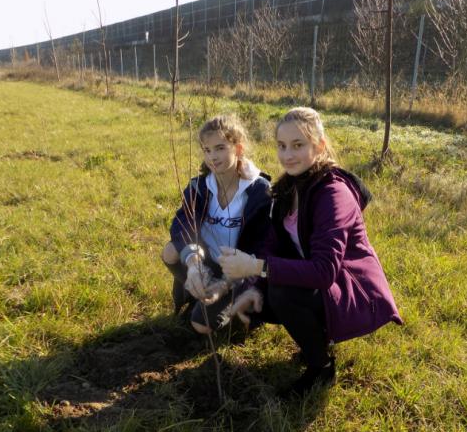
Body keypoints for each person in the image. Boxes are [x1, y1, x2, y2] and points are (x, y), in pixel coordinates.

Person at [218, 107, 402, 395]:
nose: (287, 155)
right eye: (282, 146)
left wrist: (256, 267)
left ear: (319, 146)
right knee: (264, 293)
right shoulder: (288, 189)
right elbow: (271, 246)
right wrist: (251, 285)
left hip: (351, 289)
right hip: (318, 283)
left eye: (298, 145)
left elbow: (324, 271)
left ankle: (322, 368)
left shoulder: (333, 193)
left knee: (282, 291)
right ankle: (316, 338)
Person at [162, 114, 271, 334]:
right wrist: (195, 265)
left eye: (220, 148)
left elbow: (262, 247)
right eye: (207, 150)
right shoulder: (201, 186)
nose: (212, 157)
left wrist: (226, 284)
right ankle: (198, 294)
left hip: (241, 272)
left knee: (201, 326)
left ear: (238, 148)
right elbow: (182, 225)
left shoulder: (259, 190)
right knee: (171, 251)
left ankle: (245, 316)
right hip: (209, 263)